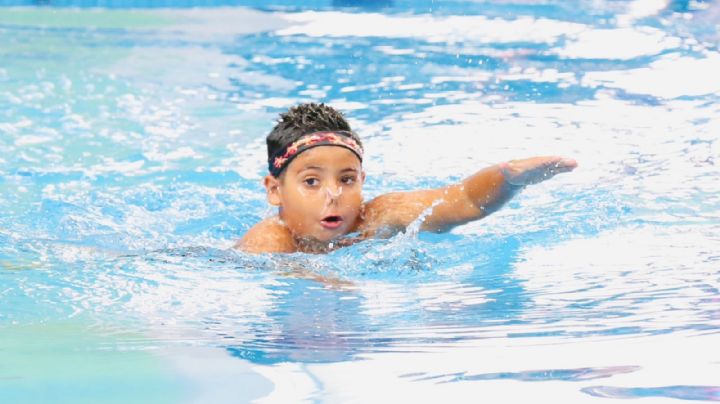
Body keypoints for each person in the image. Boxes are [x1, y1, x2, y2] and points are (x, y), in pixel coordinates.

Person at [236, 103, 577, 254]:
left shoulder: (377, 215)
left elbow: (464, 201)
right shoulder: (271, 241)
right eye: (311, 182)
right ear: (275, 190)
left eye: (347, 179)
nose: (333, 194)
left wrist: (509, 178)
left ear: (362, 181)